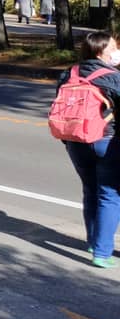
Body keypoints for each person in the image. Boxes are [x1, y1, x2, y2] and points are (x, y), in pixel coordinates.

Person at [58, 31, 120, 268]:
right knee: (110, 195)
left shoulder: (69, 73)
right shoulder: (113, 76)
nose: (116, 51)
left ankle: (94, 242)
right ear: (100, 51)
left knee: (90, 190)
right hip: (107, 140)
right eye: (113, 47)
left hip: (75, 141)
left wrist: (69, 140)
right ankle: (103, 253)